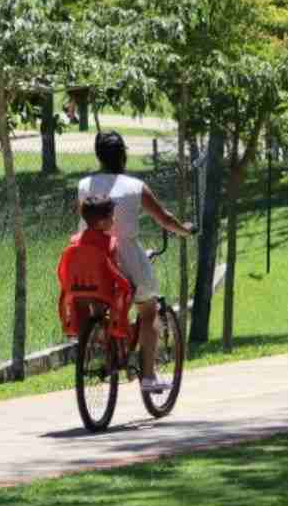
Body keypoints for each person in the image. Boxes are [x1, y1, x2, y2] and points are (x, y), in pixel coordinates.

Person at [76, 131, 194, 394]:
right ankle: (149, 376)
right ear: (123, 154)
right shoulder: (135, 186)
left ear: (98, 155)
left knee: (100, 310)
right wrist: (184, 230)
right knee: (148, 311)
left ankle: (109, 355)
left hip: (93, 259)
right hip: (127, 257)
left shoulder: (84, 185)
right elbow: (163, 218)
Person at [57, 198, 133, 343]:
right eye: (111, 216)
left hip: (76, 289)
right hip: (102, 292)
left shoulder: (74, 241)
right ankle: (115, 330)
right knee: (127, 289)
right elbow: (114, 269)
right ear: (102, 223)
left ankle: (84, 345)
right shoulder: (109, 242)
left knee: (83, 306)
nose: (114, 219)